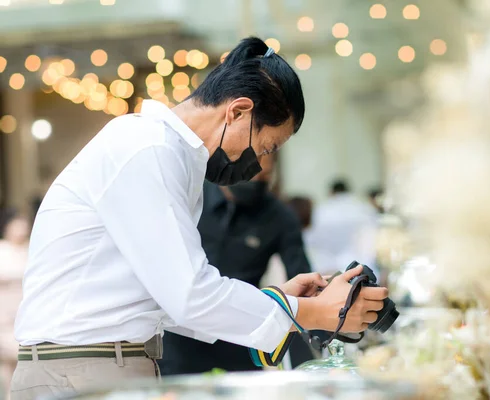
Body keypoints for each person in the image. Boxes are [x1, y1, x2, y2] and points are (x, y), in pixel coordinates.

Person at [11, 37, 388, 400]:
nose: (259, 166)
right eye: (266, 147)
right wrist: (310, 312)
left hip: (104, 364)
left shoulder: (171, 155)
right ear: (238, 111)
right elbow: (190, 295)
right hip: (81, 370)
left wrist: (279, 302)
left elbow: (169, 298)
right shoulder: (148, 148)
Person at [159, 154, 315, 375]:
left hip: (241, 337)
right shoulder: (191, 198)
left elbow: (302, 277)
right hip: (180, 337)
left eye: (266, 176)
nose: (257, 182)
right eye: (253, 174)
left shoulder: (279, 217)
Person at [304, 179, 379, 276]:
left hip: (327, 269)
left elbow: (310, 240)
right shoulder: (364, 209)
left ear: (331, 192)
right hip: (361, 267)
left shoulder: (321, 211)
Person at [0, 210, 30, 398]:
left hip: (25, 311)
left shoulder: (30, 250)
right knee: (8, 362)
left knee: (22, 358)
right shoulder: (2, 250)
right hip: (4, 313)